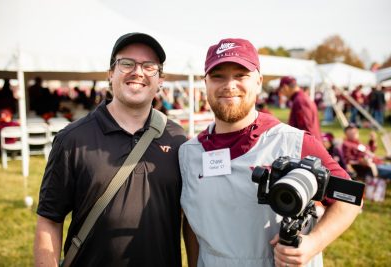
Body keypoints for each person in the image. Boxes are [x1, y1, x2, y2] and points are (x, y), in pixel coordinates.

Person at [180, 37, 361, 267]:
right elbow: (192, 223)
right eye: (218, 76)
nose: (229, 85)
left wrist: (313, 243)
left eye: (240, 75)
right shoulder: (188, 154)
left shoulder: (295, 143)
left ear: (259, 82)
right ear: (204, 83)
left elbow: (351, 200)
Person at [34, 32, 187, 267]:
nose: (138, 72)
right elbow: (49, 221)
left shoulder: (178, 139)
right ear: (110, 74)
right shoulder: (72, 139)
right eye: (126, 63)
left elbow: (190, 220)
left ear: (160, 79)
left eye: (149, 66)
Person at [279, 76, 322, 141]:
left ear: (285, 87)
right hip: (312, 143)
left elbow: (306, 130)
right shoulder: (301, 98)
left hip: (309, 146)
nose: (282, 93)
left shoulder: (300, 101)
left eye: (281, 90)